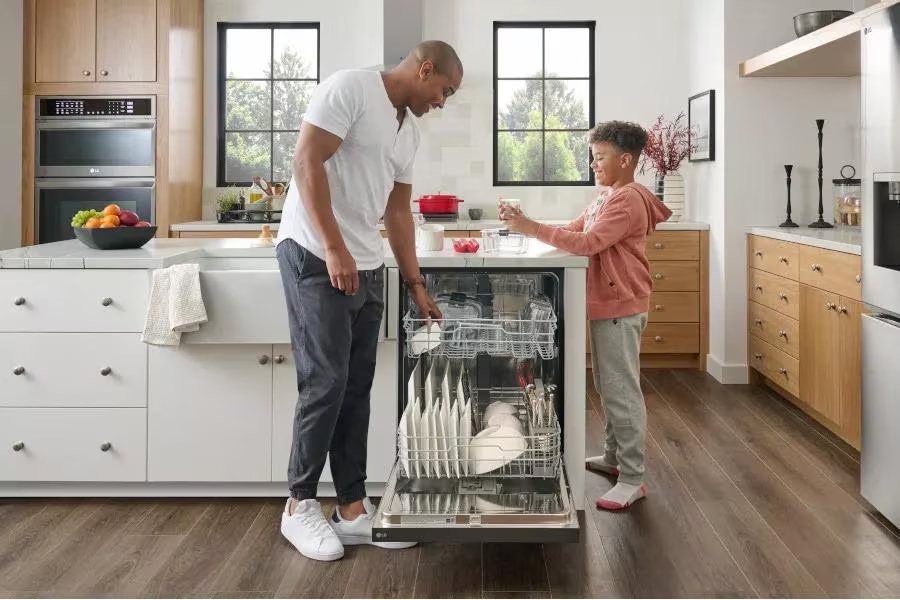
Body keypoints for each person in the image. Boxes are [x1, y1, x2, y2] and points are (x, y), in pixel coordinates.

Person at [275, 41, 463, 561]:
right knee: (325, 382)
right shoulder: (350, 87)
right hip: (315, 253)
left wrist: (416, 284)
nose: (443, 101)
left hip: (366, 262)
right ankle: (299, 504)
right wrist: (334, 248)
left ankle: (352, 508)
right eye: (444, 90)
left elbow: (399, 213)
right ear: (424, 69)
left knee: (356, 388)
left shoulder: (410, 130)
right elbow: (306, 162)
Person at [498, 120, 671, 511]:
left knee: (620, 389)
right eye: (593, 157)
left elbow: (588, 243)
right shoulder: (606, 196)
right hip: (612, 305)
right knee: (610, 386)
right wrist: (528, 224)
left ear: (625, 160)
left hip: (620, 305)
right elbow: (574, 229)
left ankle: (632, 477)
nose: (593, 164)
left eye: (600, 157)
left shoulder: (626, 200)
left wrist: (529, 226)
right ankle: (613, 459)